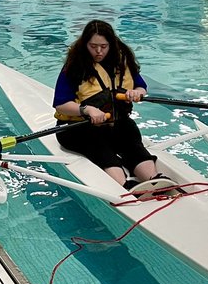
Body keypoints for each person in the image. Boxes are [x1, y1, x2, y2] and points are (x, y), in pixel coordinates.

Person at [53, 19, 158, 188]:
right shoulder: (75, 66)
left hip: (114, 124)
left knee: (132, 139)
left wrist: (137, 92)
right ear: (85, 44)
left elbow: (140, 85)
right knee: (100, 148)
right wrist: (86, 110)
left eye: (104, 46)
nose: (99, 51)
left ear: (111, 44)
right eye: (93, 46)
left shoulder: (122, 61)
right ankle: (123, 186)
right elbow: (61, 104)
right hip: (78, 128)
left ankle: (154, 180)